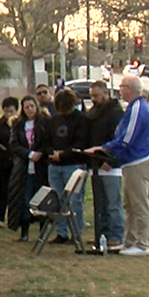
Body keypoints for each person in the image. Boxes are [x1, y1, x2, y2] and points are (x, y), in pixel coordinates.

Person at [87, 76, 149, 256]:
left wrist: (104, 149)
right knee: (129, 204)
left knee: (139, 205)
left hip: (138, 162)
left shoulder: (138, 108)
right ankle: (129, 241)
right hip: (130, 163)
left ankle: (142, 244)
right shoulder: (131, 108)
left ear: (130, 89)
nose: (120, 90)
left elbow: (126, 138)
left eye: (122, 87)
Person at [85, 81, 125, 250]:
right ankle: (101, 234)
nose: (93, 99)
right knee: (99, 203)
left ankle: (115, 235)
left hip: (110, 164)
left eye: (96, 96)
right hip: (95, 163)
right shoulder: (93, 113)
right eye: (91, 96)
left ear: (105, 94)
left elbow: (118, 139)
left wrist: (110, 159)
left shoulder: (115, 113)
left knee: (112, 202)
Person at [46, 89, 89, 244]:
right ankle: (61, 232)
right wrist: (51, 153)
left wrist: (63, 154)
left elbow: (80, 143)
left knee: (74, 200)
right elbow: (47, 140)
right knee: (58, 200)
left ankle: (75, 233)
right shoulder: (54, 120)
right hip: (54, 166)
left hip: (74, 165)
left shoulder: (81, 119)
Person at [6, 96, 50, 242]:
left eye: (32, 106)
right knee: (25, 200)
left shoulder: (45, 123)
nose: (30, 109)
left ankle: (42, 232)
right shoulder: (18, 125)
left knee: (41, 200)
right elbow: (13, 144)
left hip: (41, 167)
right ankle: (24, 232)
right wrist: (29, 154)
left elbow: (48, 142)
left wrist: (40, 154)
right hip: (24, 168)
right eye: (26, 107)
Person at [0, 97, 18, 227]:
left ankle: (15, 218)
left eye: (11, 111)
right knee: (3, 190)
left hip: (18, 160)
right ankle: (0, 218)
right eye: (6, 111)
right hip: (3, 160)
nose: (8, 114)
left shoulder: (19, 123)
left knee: (17, 190)